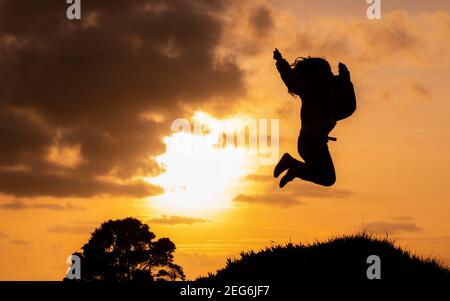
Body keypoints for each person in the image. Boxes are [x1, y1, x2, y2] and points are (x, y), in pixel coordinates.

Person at [273, 48, 356, 188]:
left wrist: (346, 80)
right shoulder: (310, 89)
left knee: (327, 177)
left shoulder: (329, 97)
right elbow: (291, 80)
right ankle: (291, 165)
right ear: (319, 75)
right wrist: (280, 62)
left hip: (313, 143)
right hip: (310, 143)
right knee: (327, 178)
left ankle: (292, 166)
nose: (331, 74)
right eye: (328, 72)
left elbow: (349, 108)